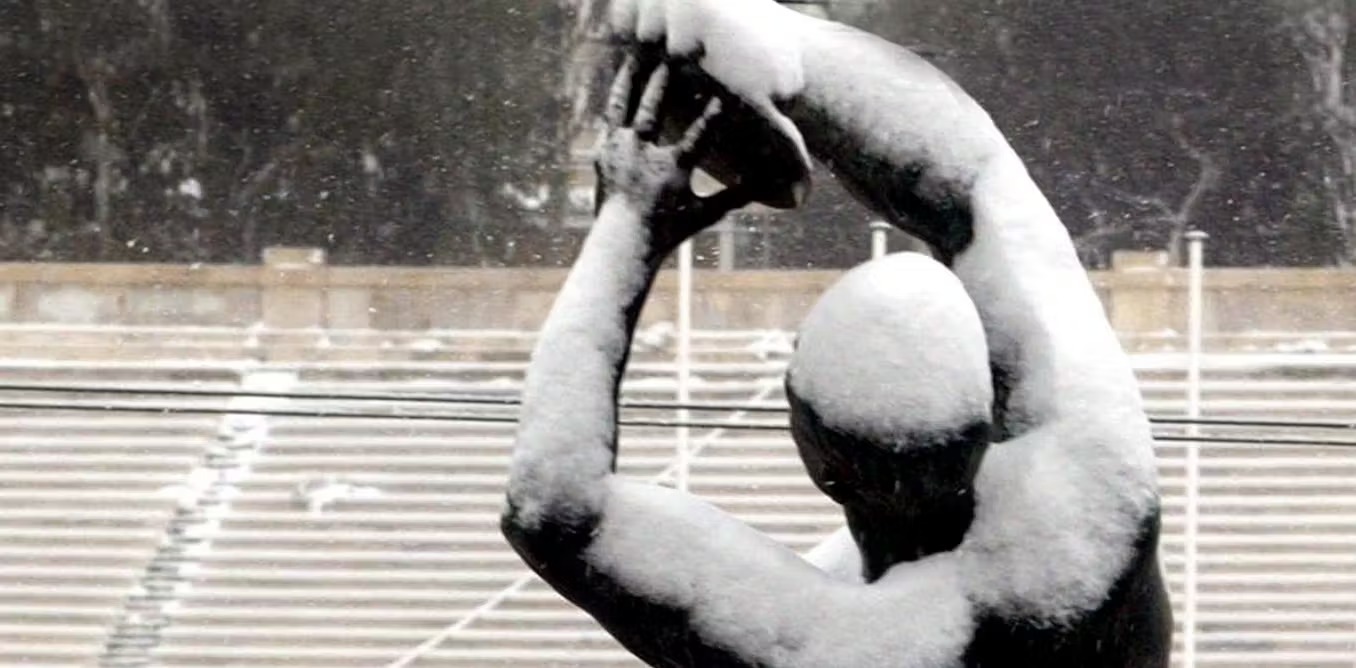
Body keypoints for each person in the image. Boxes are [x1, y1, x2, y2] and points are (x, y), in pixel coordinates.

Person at [503, 52, 1170, 665]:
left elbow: (553, 508)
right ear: (989, 406)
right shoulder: (1096, 511)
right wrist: (784, 58)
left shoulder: (838, 647)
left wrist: (628, 226)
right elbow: (979, 180)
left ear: (824, 468)